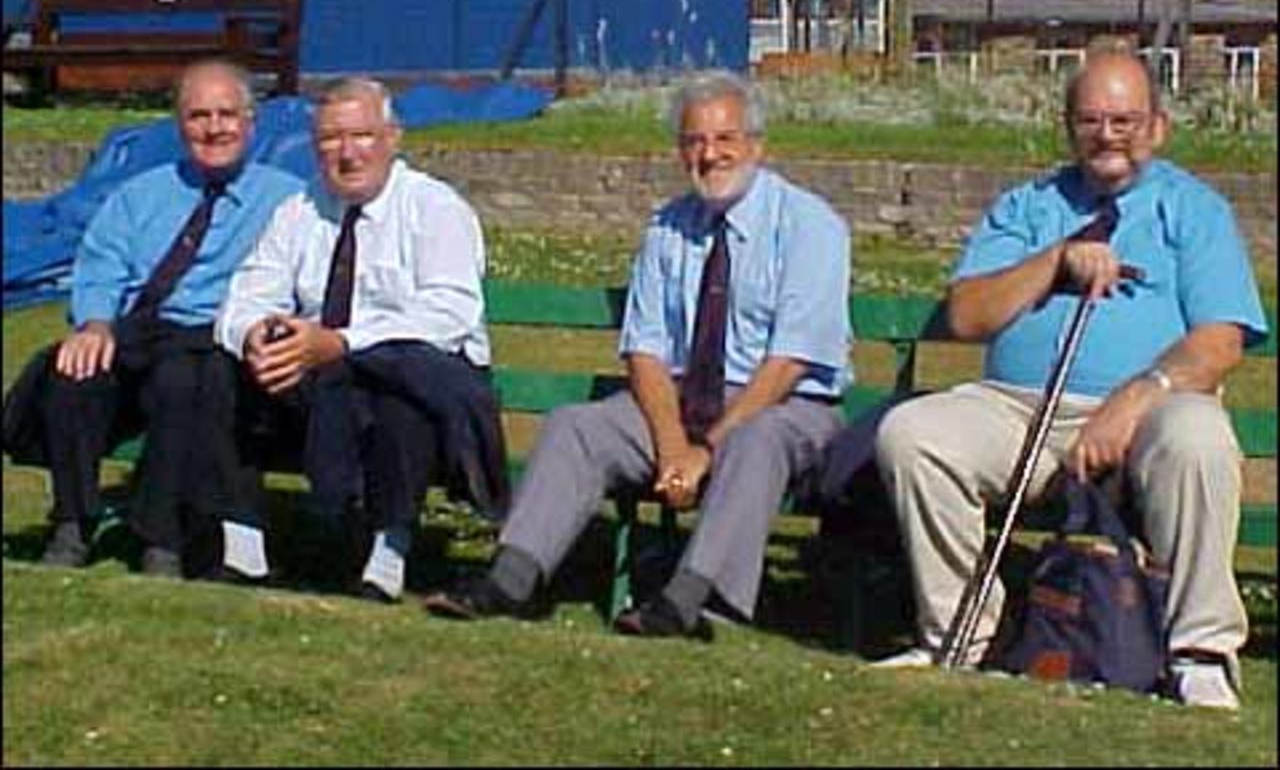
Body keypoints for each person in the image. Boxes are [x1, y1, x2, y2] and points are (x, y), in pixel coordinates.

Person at [841, 53, 1267, 710]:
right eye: (1091, 120)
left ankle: (1199, 650)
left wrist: (1138, 394)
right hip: (1019, 412)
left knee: (1200, 436)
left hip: (1148, 413)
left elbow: (1220, 340)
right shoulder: (1027, 207)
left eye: (1124, 120)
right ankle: (960, 635)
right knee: (915, 432)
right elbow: (967, 314)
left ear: (1158, 127)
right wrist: (1055, 261)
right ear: (1069, 128)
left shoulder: (1195, 211)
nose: (1107, 135)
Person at [423, 70, 852, 639]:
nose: (710, 154)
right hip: (681, 401)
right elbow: (645, 349)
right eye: (695, 141)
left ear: (756, 145)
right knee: (577, 426)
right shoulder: (668, 228)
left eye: (725, 139)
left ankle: (686, 599)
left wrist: (704, 452)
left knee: (755, 441)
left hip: (783, 406)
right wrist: (673, 444)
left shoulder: (810, 227)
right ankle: (509, 578)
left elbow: (788, 362)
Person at [214, 76, 507, 604]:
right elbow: (248, 293)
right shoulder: (298, 211)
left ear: (393, 137)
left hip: (423, 379)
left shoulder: (434, 208)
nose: (347, 154)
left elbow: (450, 314)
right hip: (318, 378)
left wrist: (343, 342)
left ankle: (385, 560)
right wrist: (257, 334)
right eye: (330, 139)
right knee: (219, 371)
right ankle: (244, 550)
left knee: (395, 393)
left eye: (362, 136)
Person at [8, 59, 303, 579]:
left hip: (217, 343)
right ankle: (73, 522)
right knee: (74, 374)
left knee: (182, 379)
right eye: (199, 116)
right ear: (179, 124)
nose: (214, 128)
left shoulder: (285, 200)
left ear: (251, 123)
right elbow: (101, 265)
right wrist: (95, 324)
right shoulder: (140, 195)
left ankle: (160, 537)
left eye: (227, 115)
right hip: (141, 332)